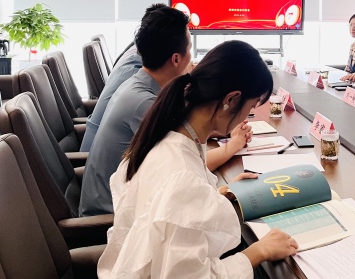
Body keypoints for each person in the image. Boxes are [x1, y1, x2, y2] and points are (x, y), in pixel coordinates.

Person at [97, 40, 298, 278]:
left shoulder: (170, 134)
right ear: (231, 100)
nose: (249, 115)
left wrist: (213, 196)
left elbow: (166, 212)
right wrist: (259, 251)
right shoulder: (183, 176)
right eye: (251, 106)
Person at [79, 6, 249, 216]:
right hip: (110, 215)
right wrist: (233, 145)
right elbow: (187, 162)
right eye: (190, 49)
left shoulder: (139, 84)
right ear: (176, 59)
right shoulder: (144, 103)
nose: (192, 58)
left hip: (125, 199)